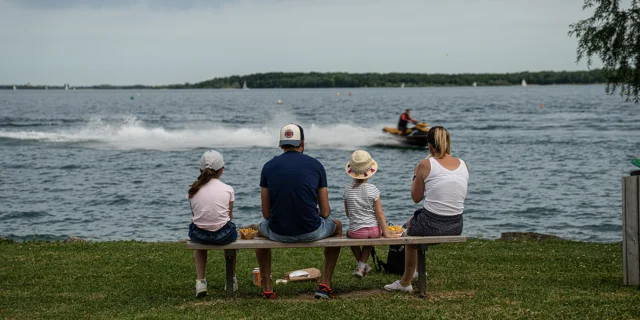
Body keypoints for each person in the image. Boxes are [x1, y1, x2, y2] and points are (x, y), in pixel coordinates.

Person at [256, 123, 343, 300]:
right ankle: (325, 284)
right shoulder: (316, 165)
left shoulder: (268, 167)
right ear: (302, 143)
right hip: (312, 231)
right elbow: (325, 212)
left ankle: (267, 288)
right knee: (338, 225)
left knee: (259, 231)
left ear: (281, 145)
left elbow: (266, 214)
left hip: (278, 232)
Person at [384, 126, 469, 292]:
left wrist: (415, 175)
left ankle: (405, 282)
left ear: (429, 146)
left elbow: (416, 198)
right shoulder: (463, 164)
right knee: (413, 221)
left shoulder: (425, 164)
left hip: (431, 226)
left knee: (410, 231)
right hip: (456, 226)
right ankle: (414, 272)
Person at [187, 150, 237, 298]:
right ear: (222, 170)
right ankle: (231, 280)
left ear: (201, 170)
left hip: (199, 235)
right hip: (223, 235)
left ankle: (200, 282)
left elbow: (195, 215)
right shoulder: (228, 189)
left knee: (198, 230)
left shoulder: (193, 190)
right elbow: (229, 215)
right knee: (230, 230)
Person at [343, 150, 392, 279]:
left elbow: (348, 214)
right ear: (369, 172)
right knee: (369, 240)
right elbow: (380, 214)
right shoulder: (373, 189)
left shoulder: (347, 190)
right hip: (375, 231)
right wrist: (385, 233)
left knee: (349, 234)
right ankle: (362, 266)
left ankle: (361, 265)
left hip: (356, 232)